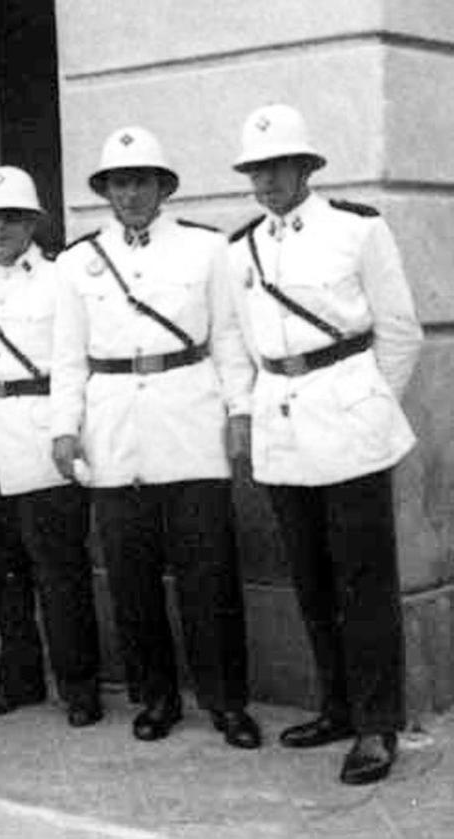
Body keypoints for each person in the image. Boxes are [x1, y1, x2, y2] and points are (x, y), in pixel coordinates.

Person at [226, 104, 421, 784]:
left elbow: (400, 331)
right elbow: (236, 343)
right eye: (256, 169)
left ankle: (376, 724)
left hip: (349, 426)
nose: (268, 180)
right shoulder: (239, 250)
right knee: (310, 580)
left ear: (307, 168)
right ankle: (337, 706)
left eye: (280, 166)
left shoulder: (356, 230)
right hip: (281, 426)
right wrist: (243, 412)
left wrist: (367, 405)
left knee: (364, 582)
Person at [49, 127, 262, 749]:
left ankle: (227, 703)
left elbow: (227, 338)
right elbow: (67, 358)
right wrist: (65, 428)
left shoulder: (206, 249)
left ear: (164, 188)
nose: (132, 193)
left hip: (190, 426)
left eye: (143, 181)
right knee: (132, 578)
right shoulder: (77, 263)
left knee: (210, 576)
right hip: (115, 432)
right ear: (106, 193)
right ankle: (157, 698)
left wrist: (240, 411)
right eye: (120, 182)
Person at [0, 166, 102, 725]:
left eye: (12, 218)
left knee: (60, 574)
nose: (0, 228)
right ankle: (20, 677)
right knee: (1, 574)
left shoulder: (61, 281)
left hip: (41, 441)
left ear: (33, 223)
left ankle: (79, 685)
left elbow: (72, 366)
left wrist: (67, 431)